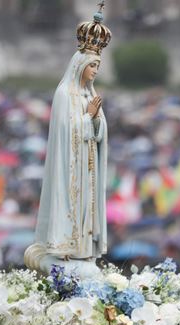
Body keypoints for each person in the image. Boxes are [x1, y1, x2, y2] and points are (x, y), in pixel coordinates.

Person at [27, 11, 111, 271]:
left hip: (88, 166)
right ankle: (66, 247)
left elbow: (100, 131)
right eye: (92, 65)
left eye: (98, 66)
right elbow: (66, 132)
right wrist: (88, 119)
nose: (95, 71)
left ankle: (85, 250)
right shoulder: (65, 93)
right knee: (72, 204)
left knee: (88, 208)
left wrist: (96, 121)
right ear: (80, 64)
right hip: (71, 166)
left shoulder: (89, 94)